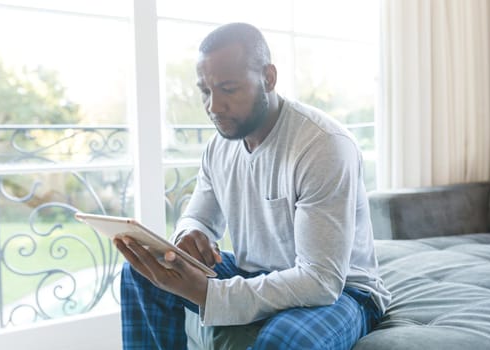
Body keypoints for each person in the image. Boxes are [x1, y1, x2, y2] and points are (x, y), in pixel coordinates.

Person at [114, 22, 391, 350]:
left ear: (269, 78)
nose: (213, 107)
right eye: (206, 91)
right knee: (141, 274)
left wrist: (208, 293)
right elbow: (198, 218)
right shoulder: (220, 146)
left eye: (228, 89)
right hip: (253, 274)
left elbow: (320, 281)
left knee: (285, 339)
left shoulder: (322, 145)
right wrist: (188, 237)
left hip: (341, 292)